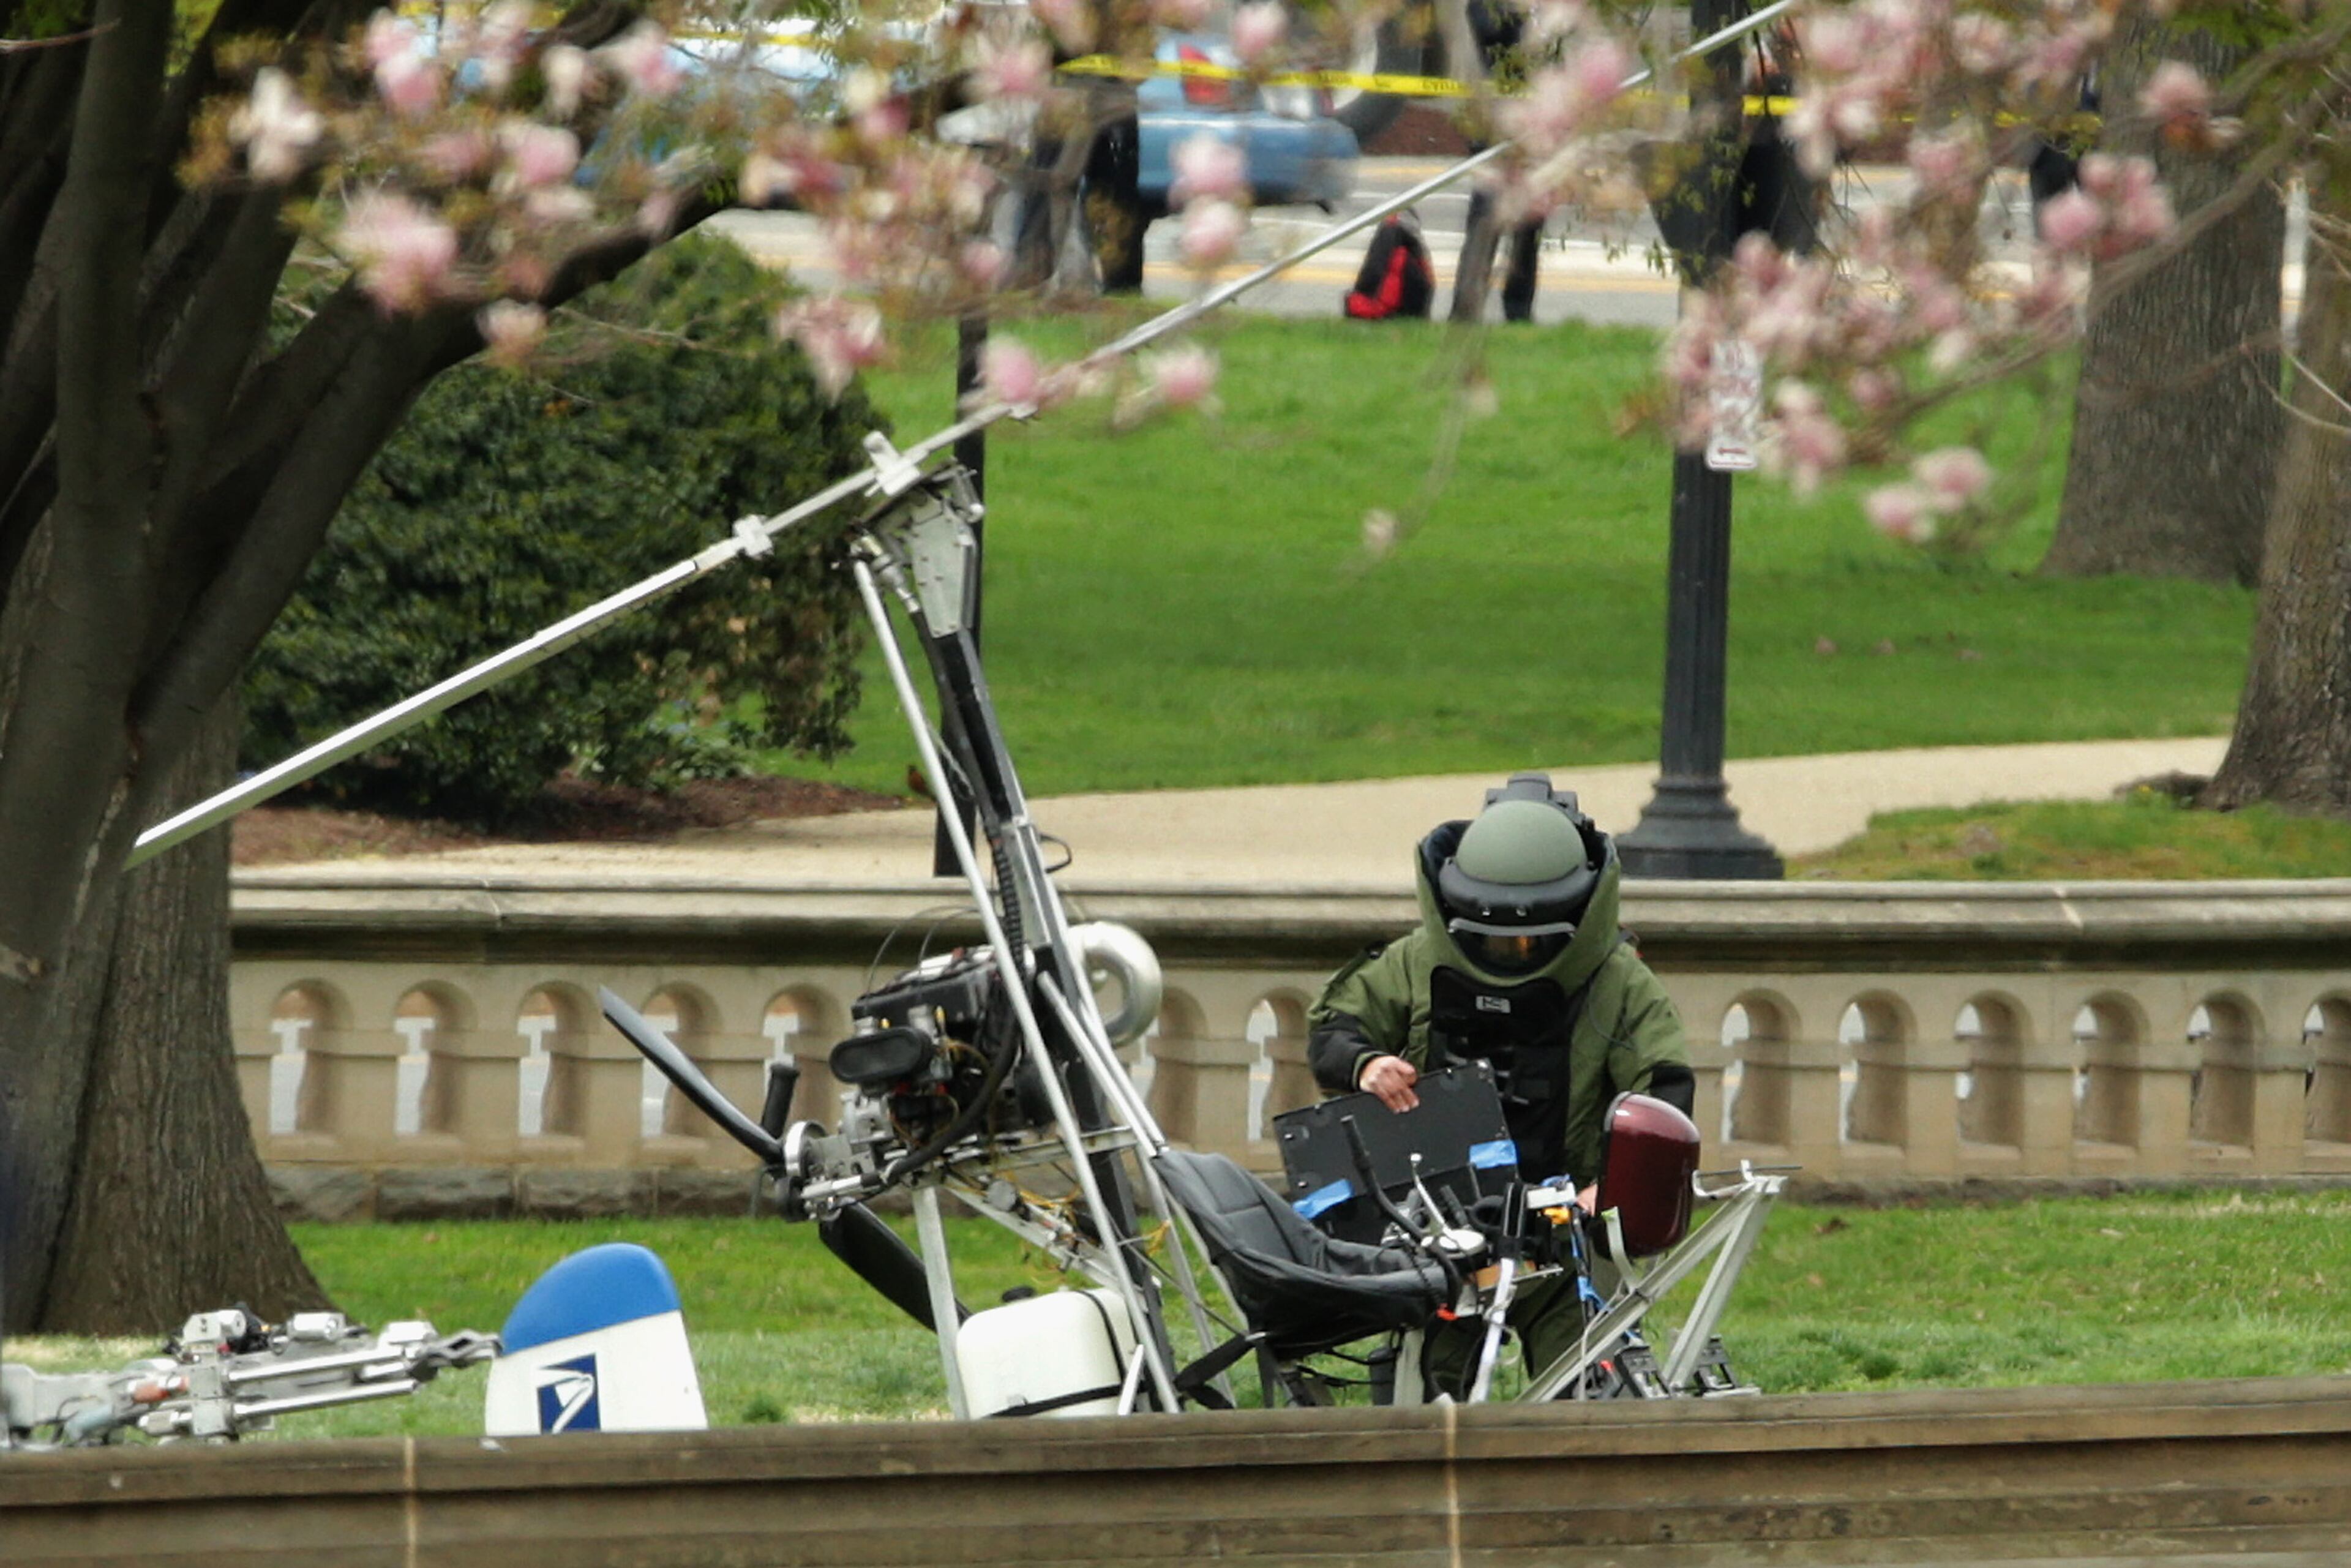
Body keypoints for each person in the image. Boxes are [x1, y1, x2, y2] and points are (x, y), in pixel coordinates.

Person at [1304, 771, 1695, 1394]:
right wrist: (1366, 1064)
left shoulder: (1619, 982)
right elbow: (1333, 1028)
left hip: (1567, 1225)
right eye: (1494, 940)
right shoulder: (1416, 960)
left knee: (1585, 1380)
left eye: (1527, 941)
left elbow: (1664, 1088)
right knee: (1430, 1386)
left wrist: (1611, 1190)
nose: (1512, 950)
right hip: (1443, 1230)